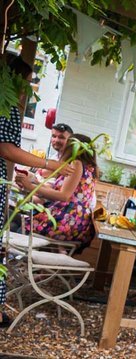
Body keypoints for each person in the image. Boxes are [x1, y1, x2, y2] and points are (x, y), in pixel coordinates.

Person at [0, 53, 65, 327]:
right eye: (26, 82)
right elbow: (5, 148)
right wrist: (49, 163)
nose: (29, 89)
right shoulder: (9, 105)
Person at [17, 132, 99, 247]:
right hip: (78, 222)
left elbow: (64, 195)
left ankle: (16, 259)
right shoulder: (90, 168)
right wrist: (35, 182)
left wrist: (30, 187)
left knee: (22, 227)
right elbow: (65, 192)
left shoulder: (76, 164)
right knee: (19, 221)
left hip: (68, 220)